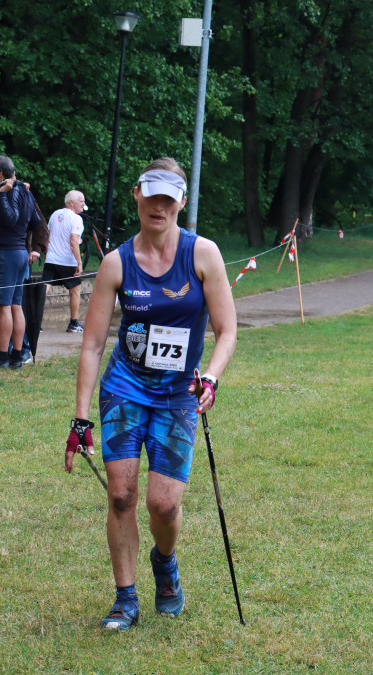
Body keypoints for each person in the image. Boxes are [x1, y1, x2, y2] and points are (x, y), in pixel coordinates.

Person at [64, 158, 237, 632]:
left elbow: (227, 330)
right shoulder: (116, 262)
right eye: (151, 196)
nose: (158, 206)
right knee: (121, 496)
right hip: (125, 387)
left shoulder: (203, 255)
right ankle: (125, 599)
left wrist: (213, 377)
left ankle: (165, 564)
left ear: (181, 202)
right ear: (137, 196)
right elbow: (94, 343)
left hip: (179, 393)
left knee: (163, 504)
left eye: (169, 198)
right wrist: (80, 419)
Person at [0, 155, 44, 371]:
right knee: (15, 306)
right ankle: (16, 356)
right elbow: (35, 221)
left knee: (3, 307)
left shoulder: (9, 192)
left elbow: (11, 218)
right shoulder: (26, 192)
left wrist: (3, 195)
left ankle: (3, 357)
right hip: (21, 254)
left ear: (1, 175)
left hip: (7, 254)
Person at [42, 190, 88, 333]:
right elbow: (74, 241)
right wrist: (79, 263)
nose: (83, 204)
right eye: (81, 201)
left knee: (44, 289)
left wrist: (48, 253)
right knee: (75, 291)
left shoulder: (55, 214)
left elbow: (48, 237)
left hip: (51, 259)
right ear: (72, 202)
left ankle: (34, 322)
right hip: (67, 261)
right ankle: (73, 323)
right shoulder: (76, 219)